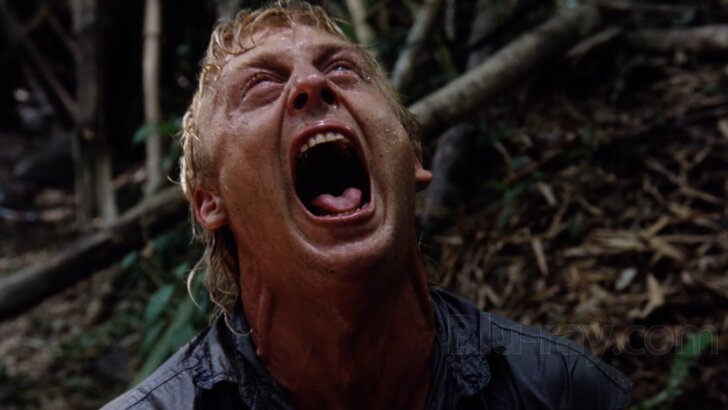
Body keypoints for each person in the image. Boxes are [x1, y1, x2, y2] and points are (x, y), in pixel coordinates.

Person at [103, 2, 632, 409]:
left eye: (342, 69)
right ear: (209, 203)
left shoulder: (562, 391)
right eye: (261, 84)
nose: (312, 83)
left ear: (412, 158)